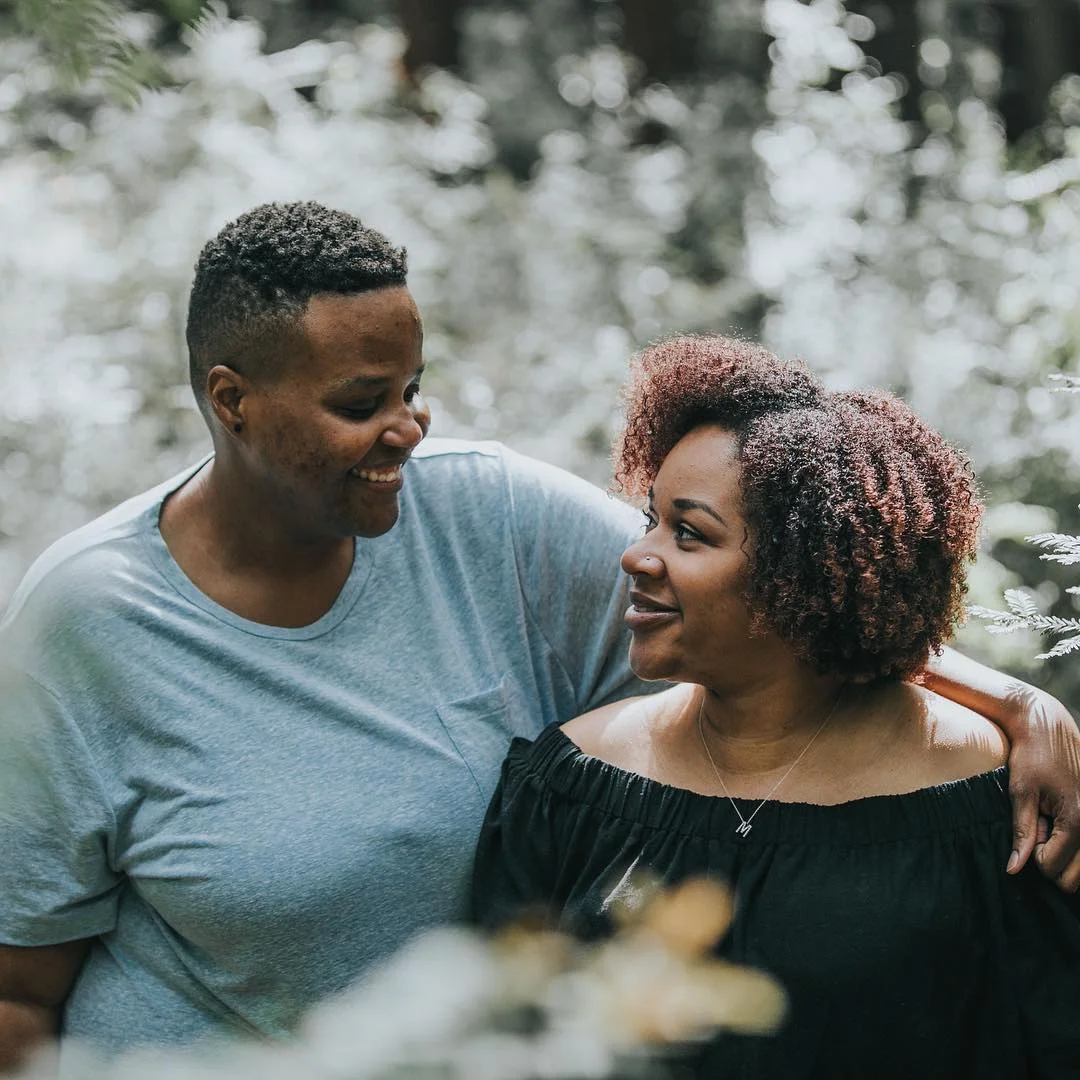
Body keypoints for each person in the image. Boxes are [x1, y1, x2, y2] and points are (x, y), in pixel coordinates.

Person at [0, 204, 1076, 1071]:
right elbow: (16, 992)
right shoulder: (90, 622)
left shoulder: (488, 520)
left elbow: (775, 596)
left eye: (414, 389)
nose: (408, 429)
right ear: (231, 400)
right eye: (362, 400)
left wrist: (1014, 702)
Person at [471, 335, 1080, 1079]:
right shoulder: (564, 787)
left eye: (689, 534)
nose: (637, 557)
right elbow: (493, 1044)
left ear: (807, 574)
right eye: (650, 521)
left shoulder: (996, 806)